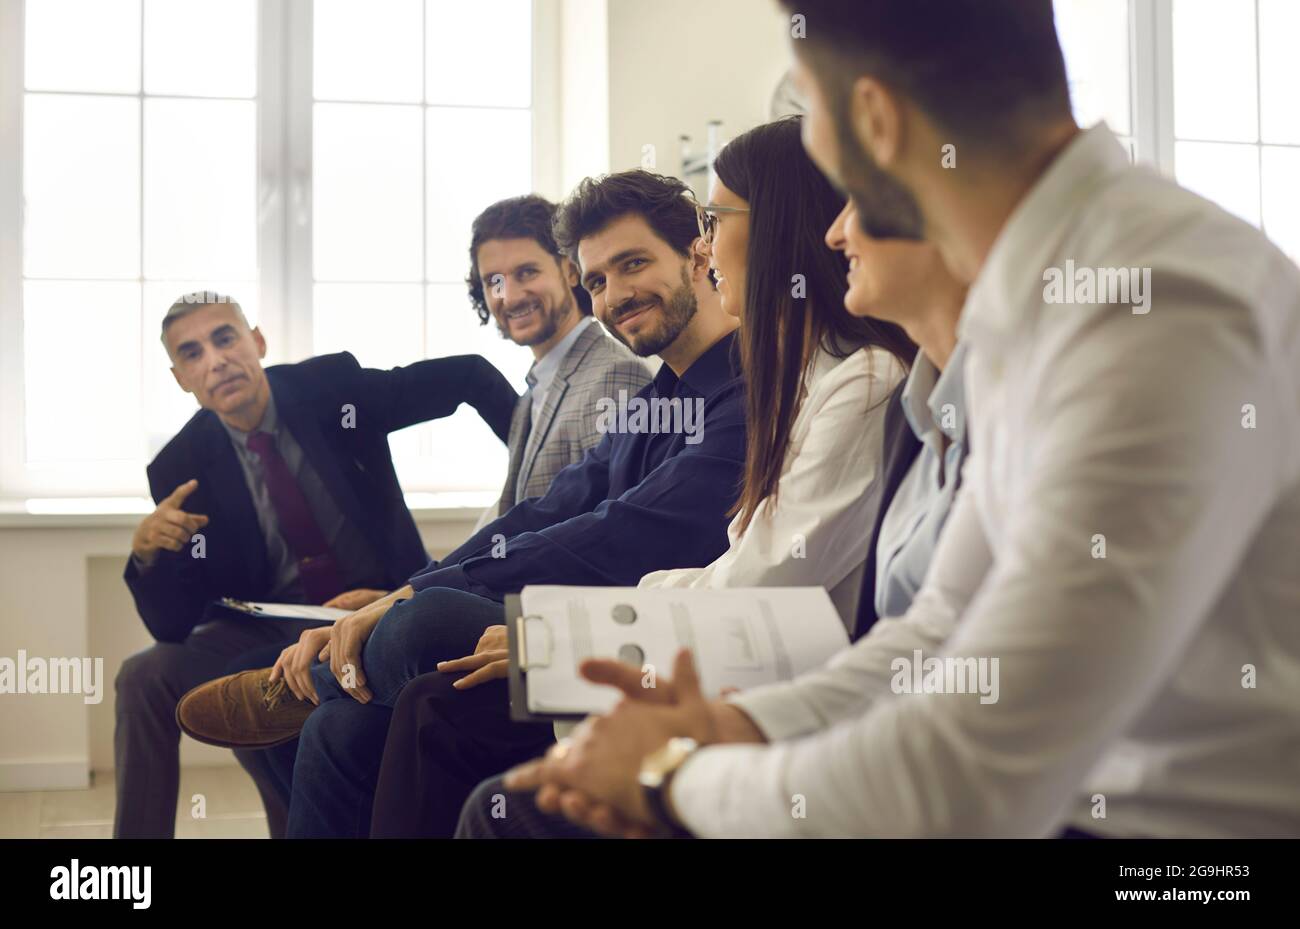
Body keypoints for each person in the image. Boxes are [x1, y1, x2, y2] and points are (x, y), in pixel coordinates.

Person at [488, 0, 1300, 839]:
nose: (832, 211)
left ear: (873, 118)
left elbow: (968, 772)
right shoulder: (1035, 300)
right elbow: (937, 633)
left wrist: (671, 779)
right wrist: (732, 729)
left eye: (812, 111)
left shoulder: (1151, 301)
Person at [369, 116, 922, 838]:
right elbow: (560, 510)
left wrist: (562, 640)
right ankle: (324, 674)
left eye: (714, 222)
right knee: (400, 671)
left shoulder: (849, 380)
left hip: (771, 686)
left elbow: (749, 583)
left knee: (434, 655)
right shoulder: (736, 388)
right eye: (597, 278)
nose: (706, 244)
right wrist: (421, 585)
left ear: (778, 229)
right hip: (726, 654)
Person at [175, 170, 750, 839]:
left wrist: (404, 602)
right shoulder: (655, 400)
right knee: (346, 721)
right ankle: (327, 691)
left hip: (629, 628)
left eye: (633, 265)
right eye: (598, 279)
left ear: (698, 253)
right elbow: (542, 512)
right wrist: (398, 593)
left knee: (424, 623)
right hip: (580, 607)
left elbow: (614, 534)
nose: (614, 295)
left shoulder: (741, 392)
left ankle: (319, 679)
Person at [115, 292, 518, 839]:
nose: (215, 360)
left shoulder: (331, 389)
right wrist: (148, 556)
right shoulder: (179, 466)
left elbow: (469, 376)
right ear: (181, 377)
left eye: (225, 338)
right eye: (193, 354)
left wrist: (531, 489)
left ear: (256, 341)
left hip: (385, 599)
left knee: (268, 701)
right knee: (145, 675)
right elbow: (173, 625)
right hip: (269, 622)